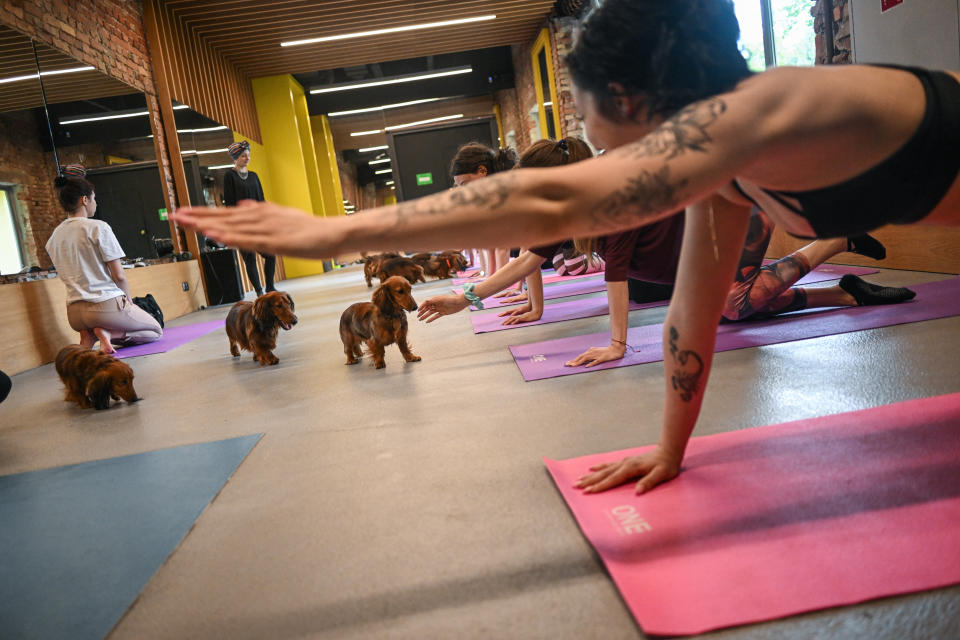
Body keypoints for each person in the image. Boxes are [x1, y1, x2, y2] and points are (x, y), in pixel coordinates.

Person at [173, 0, 960, 495]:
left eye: (580, 111)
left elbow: (549, 196)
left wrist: (337, 232)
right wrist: (668, 450)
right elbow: (693, 312)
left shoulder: (766, 109)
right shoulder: (729, 173)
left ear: (622, 99)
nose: (584, 135)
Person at [418, 138, 911, 371]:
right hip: (702, 253)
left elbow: (616, 276)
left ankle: (838, 239)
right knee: (730, 311)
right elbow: (526, 261)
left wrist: (617, 343)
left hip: (734, 218)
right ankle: (844, 293)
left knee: (734, 306)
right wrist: (467, 299)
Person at [46, 165, 162, 353]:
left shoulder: (54, 237)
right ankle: (107, 333)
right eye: (94, 198)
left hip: (74, 314)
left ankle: (89, 335)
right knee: (155, 331)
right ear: (85, 200)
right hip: (105, 307)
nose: (96, 203)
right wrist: (127, 303)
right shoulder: (98, 227)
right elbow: (119, 276)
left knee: (85, 347)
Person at [449, 142, 519, 279]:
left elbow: (502, 248)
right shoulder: (487, 195)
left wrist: (498, 282)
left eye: (465, 184)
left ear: (482, 171)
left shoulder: (502, 190)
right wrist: (490, 277)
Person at [223, 140, 276, 297]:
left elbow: (261, 199)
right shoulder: (229, 176)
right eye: (244, 156)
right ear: (236, 157)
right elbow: (230, 204)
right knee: (250, 259)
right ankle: (259, 292)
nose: (247, 158)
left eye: (248, 155)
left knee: (270, 254)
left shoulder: (254, 176)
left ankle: (270, 287)